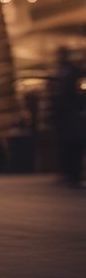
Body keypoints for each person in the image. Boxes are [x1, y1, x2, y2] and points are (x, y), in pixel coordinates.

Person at [49, 48, 84, 187]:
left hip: (69, 118)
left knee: (71, 146)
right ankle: (71, 174)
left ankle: (72, 174)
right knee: (71, 147)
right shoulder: (67, 73)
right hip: (69, 118)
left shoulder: (66, 73)